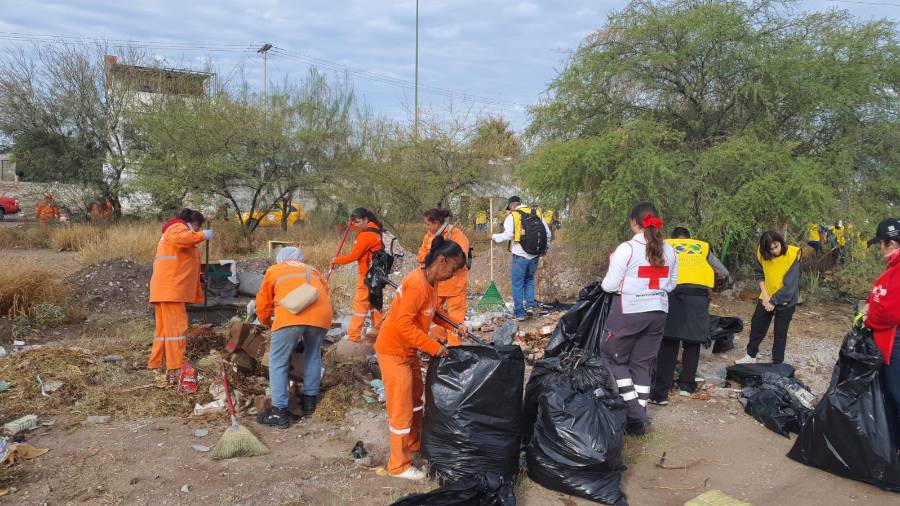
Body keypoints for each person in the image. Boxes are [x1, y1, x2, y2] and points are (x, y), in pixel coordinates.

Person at [375, 235, 467, 480]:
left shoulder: (431, 283)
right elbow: (404, 324)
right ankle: (398, 465)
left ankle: (414, 446)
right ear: (441, 260)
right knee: (401, 407)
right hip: (393, 351)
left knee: (416, 401)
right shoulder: (416, 283)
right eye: (454, 269)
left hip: (408, 351)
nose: (454, 275)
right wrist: (434, 348)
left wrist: (454, 326)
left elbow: (432, 312)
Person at [600, 202, 677, 434]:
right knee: (641, 363)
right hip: (658, 312)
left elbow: (610, 285)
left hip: (628, 312)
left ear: (634, 222)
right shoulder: (670, 250)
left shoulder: (627, 248)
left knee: (613, 359)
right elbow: (671, 285)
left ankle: (634, 413)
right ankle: (640, 417)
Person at [254, 247, 333, 427]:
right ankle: (309, 402)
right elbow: (325, 292)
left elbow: (263, 303)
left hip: (291, 316)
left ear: (280, 259)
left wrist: (266, 322)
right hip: (322, 316)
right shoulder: (312, 270)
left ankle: (279, 412)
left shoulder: (275, 270)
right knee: (313, 355)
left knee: (278, 361)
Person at [650, 227, 729, 405]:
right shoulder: (701, 247)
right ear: (690, 239)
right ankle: (686, 386)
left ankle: (662, 389)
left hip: (673, 292)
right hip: (698, 295)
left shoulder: (666, 245)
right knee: (693, 340)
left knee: (669, 340)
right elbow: (724, 272)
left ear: (674, 238)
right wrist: (713, 289)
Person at [148, 209, 214, 385]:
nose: (196, 229)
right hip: (171, 290)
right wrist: (201, 235)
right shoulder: (177, 228)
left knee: (164, 332)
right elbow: (181, 240)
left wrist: (199, 278)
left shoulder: (174, 231)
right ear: (192, 221)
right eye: (197, 225)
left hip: (166, 288)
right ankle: (177, 366)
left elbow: (181, 263)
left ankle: (158, 364)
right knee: (177, 329)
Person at [735, 231, 801, 365]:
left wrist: (773, 301)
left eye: (776, 246)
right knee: (757, 325)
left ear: (780, 241)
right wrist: (765, 295)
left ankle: (777, 363)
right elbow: (759, 274)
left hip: (786, 299)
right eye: (771, 249)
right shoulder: (761, 253)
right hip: (767, 295)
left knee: (780, 332)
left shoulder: (793, 255)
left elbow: (790, 286)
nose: (775, 251)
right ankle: (751, 355)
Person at [862, 218, 900, 447]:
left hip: (895, 340)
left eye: (881, 244)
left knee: (896, 393)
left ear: (891, 243)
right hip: (889, 340)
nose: (879, 248)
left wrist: (869, 319)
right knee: (889, 392)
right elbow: (882, 294)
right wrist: (869, 303)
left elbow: (892, 313)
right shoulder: (893, 266)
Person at [491, 196, 552, 321]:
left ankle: (519, 313)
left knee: (517, 284)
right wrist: (545, 248)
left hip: (520, 255)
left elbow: (508, 235)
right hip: (535, 254)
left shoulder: (513, 216)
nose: (509, 211)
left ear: (512, 206)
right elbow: (548, 233)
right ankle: (530, 306)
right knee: (529, 280)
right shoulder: (537, 213)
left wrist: (494, 236)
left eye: (509, 208)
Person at [417, 208, 469, 346]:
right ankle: (439, 341)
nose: (426, 227)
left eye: (428, 224)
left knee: (455, 317)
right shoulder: (428, 236)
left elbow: (460, 260)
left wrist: (435, 261)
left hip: (455, 283)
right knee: (431, 313)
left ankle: (454, 348)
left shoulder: (455, 234)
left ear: (437, 223)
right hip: (437, 283)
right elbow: (421, 255)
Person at [331, 208, 385, 343]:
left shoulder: (366, 235)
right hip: (377, 275)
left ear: (366, 220)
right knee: (374, 304)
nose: (355, 225)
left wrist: (336, 260)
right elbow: (360, 232)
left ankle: (354, 337)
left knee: (360, 306)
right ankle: (379, 332)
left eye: (358, 222)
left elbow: (355, 256)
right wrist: (352, 225)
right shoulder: (376, 230)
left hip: (367, 275)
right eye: (353, 223)